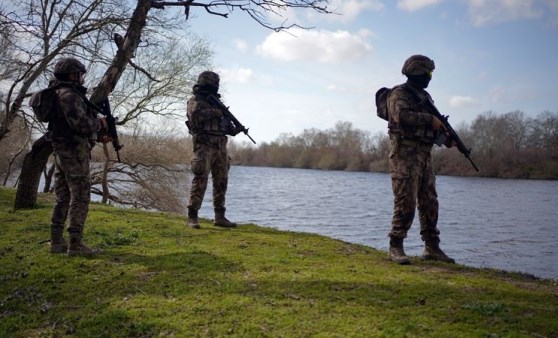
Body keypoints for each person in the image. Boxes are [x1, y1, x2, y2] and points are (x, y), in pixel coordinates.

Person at [386, 54, 455, 265]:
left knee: (430, 201)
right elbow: (403, 117)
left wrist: (445, 137)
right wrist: (431, 120)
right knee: (405, 201)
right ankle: (396, 246)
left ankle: (431, 247)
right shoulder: (399, 93)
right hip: (404, 155)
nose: (430, 77)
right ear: (418, 72)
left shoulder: (425, 97)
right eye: (428, 73)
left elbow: (429, 127)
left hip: (424, 155)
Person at [47, 57, 109, 256]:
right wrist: (99, 123)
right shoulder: (69, 96)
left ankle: (56, 241)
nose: (82, 78)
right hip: (74, 152)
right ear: (72, 75)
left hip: (61, 150)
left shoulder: (57, 94)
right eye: (80, 74)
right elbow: (81, 125)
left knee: (62, 197)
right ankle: (75, 244)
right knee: (81, 196)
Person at [186, 71, 241, 229]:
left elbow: (227, 129)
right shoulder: (195, 100)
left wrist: (236, 129)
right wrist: (214, 112)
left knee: (221, 181)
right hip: (204, 145)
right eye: (212, 83)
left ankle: (219, 216)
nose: (214, 86)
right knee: (200, 180)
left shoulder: (218, 103)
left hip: (220, 147)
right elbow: (194, 118)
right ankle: (192, 217)